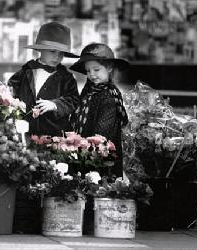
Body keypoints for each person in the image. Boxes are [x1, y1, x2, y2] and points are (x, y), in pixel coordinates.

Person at [8, 21, 79, 136]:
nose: (57, 57)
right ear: (40, 49)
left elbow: (74, 99)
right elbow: (11, 91)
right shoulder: (26, 71)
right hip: (26, 131)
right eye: (52, 51)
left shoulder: (66, 77)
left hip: (54, 133)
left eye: (61, 54)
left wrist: (55, 104)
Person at [69, 43, 129, 177]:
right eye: (88, 71)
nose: (92, 75)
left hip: (101, 156)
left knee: (99, 187)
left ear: (109, 68)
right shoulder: (89, 89)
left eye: (96, 70)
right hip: (84, 152)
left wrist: (84, 147)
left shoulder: (109, 96)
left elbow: (102, 133)